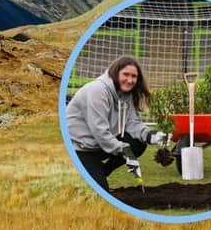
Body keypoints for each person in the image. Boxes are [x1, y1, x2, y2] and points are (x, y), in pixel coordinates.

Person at [67, 56, 166, 192]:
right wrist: (123, 149)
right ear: (115, 73)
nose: (130, 80)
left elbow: (133, 123)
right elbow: (99, 131)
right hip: (81, 148)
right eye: (125, 74)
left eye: (134, 76)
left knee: (138, 143)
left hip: (99, 146)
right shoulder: (98, 91)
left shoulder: (125, 94)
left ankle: (102, 171)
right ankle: (93, 172)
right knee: (101, 193)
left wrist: (151, 135)